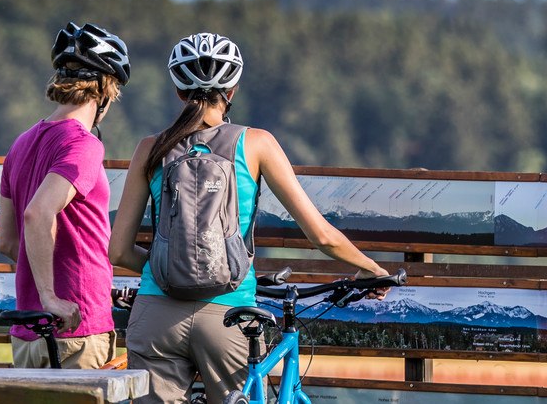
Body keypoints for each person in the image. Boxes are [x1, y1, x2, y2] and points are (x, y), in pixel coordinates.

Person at [109, 31, 388, 402]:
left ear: (178, 90)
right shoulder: (256, 143)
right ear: (233, 89)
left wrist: (170, 266)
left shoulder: (150, 148)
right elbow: (321, 236)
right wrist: (372, 269)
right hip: (229, 312)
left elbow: (118, 252)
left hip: (155, 312)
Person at [0, 21, 130, 369]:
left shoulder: (20, 144)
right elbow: (38, 214)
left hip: (27, 334)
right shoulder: (83, 145)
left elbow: (8, 242)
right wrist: (51, 296)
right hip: (76, 332)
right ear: (104, 90)